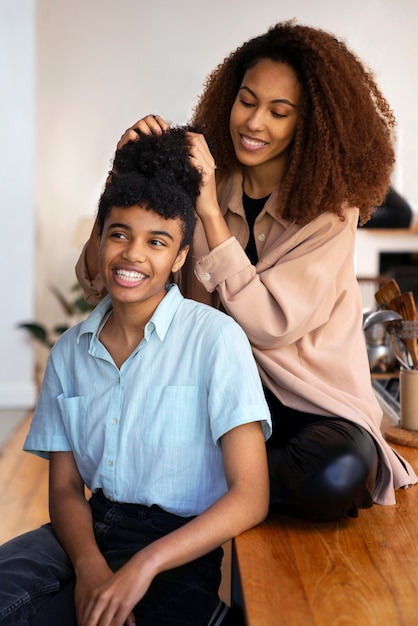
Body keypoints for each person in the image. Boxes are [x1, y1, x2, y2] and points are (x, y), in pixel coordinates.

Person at [76, 21, 417, 522]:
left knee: (338, 472)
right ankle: (215, 481)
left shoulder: (330, 212)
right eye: (247, 101)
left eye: (279, 112)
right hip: (210, 392)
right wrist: (119, 179)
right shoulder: (195, 174)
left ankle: (193, 480)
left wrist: (210, 213)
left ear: (310, 125)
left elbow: (270, 324)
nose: (254, 122)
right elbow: (97, 281)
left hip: (307, 403)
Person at [0, 127, 271, 626]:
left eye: (157, 241)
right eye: (120, 234)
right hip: (86, 529)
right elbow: (64, 490)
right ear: (100, 238)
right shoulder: (68, 352)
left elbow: (251, 495)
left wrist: (142, 566)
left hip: (179, 543)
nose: (133, 255)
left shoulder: (215, 340)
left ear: (181, 257)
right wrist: (90, 568)